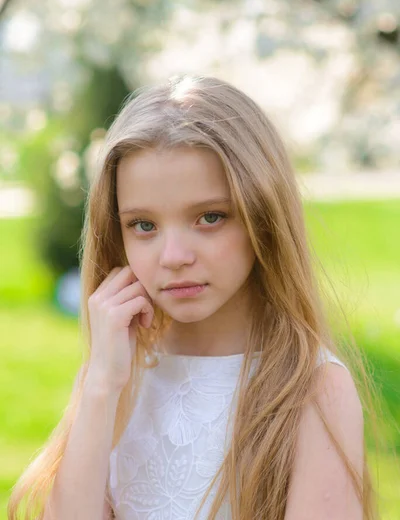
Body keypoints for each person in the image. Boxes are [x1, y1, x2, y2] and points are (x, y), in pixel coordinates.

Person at [8, 75, 378, 520]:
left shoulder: (311, 389)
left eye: (209, 217)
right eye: (144, 225)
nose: (174, 257)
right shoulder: (116, 374)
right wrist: (100, 386)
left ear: (262, 216)